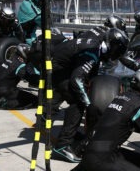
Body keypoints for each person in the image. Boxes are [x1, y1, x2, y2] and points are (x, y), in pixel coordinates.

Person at [51, 28, 130, 163]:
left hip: (63, 62)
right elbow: (76, 80)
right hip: (56, 69)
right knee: (77, 102)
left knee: (80, 91)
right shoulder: (92, 52)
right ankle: (62, 146)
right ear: (112, 45)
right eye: (116, 51)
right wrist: (88, 105)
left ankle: (61, 127)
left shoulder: (99, 37)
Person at [0, 44, 40, 109]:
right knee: (36, 100)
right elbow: (30, 78)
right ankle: (4, 103)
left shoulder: (9, 60)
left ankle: (1, 100)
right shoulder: (19, 64)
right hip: (5, 92)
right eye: (28, 53)